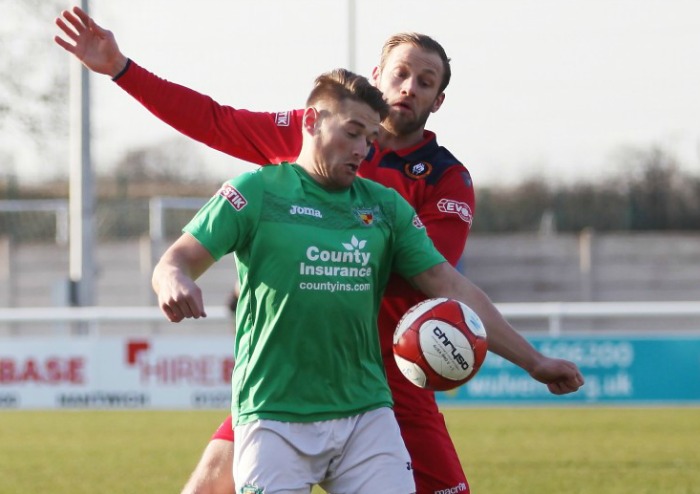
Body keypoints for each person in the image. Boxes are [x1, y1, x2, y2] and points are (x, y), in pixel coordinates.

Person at [55, 7, 585, 494]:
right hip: (290, 372)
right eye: (400, 74)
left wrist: (532, 360)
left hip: (386, 372)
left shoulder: (442, 179)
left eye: (425, 82)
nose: (408, 88)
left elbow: (436, 282)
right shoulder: (311, 136)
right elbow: (215, 121)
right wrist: (123, 69)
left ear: (438, 100)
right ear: (375, 79)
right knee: (205, 489)